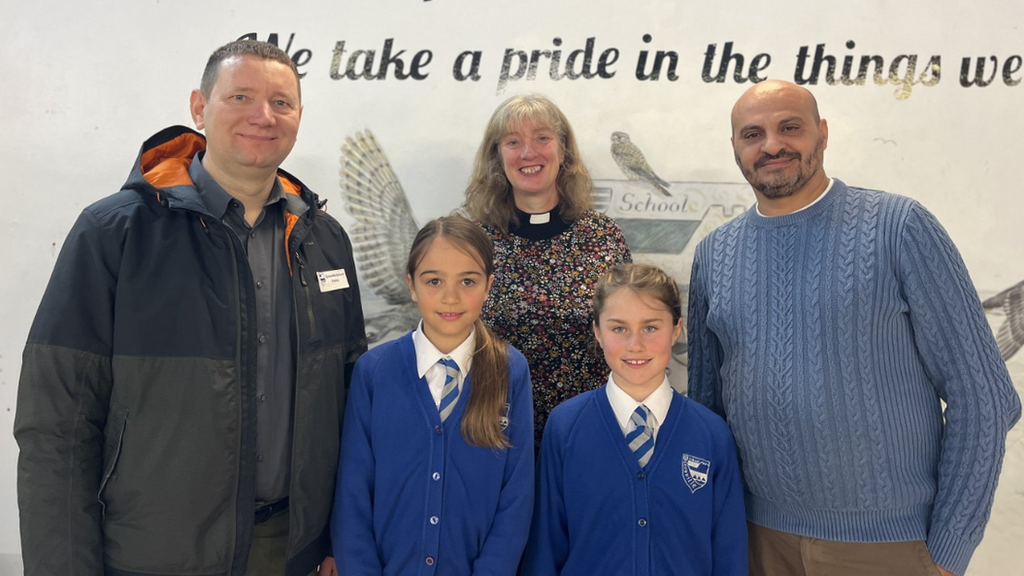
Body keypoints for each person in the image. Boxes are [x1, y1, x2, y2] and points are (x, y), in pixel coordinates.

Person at [14, 40, 366, 576]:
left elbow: (350, 403)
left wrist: (342, 537)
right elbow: (56, 424)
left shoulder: (324, 240)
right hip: (154, 553)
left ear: (298, 117)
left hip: (292, 551)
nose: (262, 116)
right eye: (241, 96)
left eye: (281, 102)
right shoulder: (114, 233)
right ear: (199, 108)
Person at [686, 79, 1021, 576]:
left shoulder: (899, 227)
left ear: (822, 133)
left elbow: (986, 396)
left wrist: (950, 548)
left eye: (790, 127)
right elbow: (705, 408)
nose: (772, 144)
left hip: (889, 546)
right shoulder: (714, 254)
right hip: (755, 540)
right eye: (752, 133)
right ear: (735, 147)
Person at [331, 214, 534, 575]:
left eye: (468, 281)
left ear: (489, 286)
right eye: (434, 280)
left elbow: (515, 498)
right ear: (411, 285)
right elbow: (353, 495)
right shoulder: (374, 371)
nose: (450, 297)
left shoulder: (510, 370)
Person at [523, 263, 746, 576]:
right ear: (597, 332)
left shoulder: (710, 434)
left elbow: (729, 552)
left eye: (651, 327)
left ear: (677, 329)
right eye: (619, 328)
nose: (635, 344)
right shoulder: (566, 427)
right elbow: (545, 548)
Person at [464, 93, 632, 447]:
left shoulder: (603, 237)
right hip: (495, 435)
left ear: (563, 150)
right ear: (497, 156)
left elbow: (626, 334)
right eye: (513, 142)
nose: (529, 153)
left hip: (587, 436)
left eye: (542, 138)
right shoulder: (473, 242)